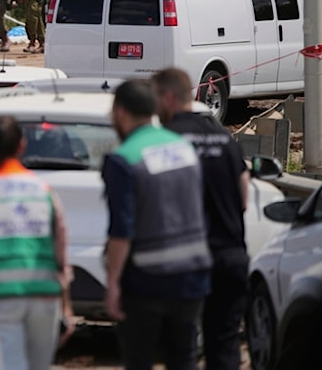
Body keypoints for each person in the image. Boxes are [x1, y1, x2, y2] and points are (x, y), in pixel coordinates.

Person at [102, 79, 211, 370]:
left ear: (120, 113)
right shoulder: (184, 148)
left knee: (139, 360)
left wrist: (112, 284)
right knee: (184, 359)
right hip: (192, 275)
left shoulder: (123, 159)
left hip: (146, 282)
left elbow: (121, 231)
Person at [0, 115, 74, 370]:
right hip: (44, 297)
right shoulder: (42, 190)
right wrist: (66, 306)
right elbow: (60, 250)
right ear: (22, 145)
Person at [152, 68, 248, 370]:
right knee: (225, 344)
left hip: (185, 259)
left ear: (168, 98)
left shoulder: (166, 140)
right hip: (230, 256)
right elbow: (244, 199)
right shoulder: (225, 139)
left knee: (181, 348)